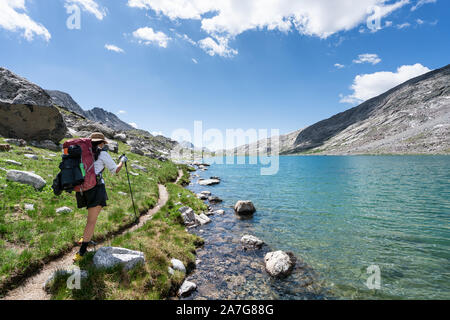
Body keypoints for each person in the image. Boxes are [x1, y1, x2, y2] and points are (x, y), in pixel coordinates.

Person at [73, 132, 128, 262]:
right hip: (96, 189)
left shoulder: (81, 152)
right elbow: (115, 170)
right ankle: (81, 253)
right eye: (103, 143)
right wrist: (122, 161)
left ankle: (85, 237)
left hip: (82, 189)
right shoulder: (103, 154)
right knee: (91, 221)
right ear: (101, 143)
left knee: (89, 219)